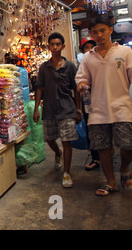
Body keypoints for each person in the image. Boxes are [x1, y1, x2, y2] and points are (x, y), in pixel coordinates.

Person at [75, 15, 132, 196]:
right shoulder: (87, 57)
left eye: (102, 30)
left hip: (122, 107)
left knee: (128, 145)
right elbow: (81, 79)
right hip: (97, 110)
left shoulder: (125, 52)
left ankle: (123, 168)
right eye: (95, 32)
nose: (99, 35)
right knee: (103, 148)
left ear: (110, 30)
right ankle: (111, 182)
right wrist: (82, 85)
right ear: (91, 34)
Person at [34, 32, 81, 188]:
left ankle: (66, 173)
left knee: (67, 141)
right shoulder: (44, 67)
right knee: (50, 139)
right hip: (49, 109)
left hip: (67, 109)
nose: (55, 47)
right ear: (48, 46)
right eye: (52, 44)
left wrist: (79, 109)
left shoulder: (70, 67)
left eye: (58, 44)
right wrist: (36, 109)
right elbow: (39, 87)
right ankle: (58, 153)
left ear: (63, 46)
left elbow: (76, 89)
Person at [78, 37, 100, 171]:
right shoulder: (81, 65)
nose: (89, 49)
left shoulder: (100, 62)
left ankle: (106, 151)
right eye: (87, 47)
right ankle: (95, 157)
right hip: (88, 101)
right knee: (90, 129)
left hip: (102, 100)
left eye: (92, 46)